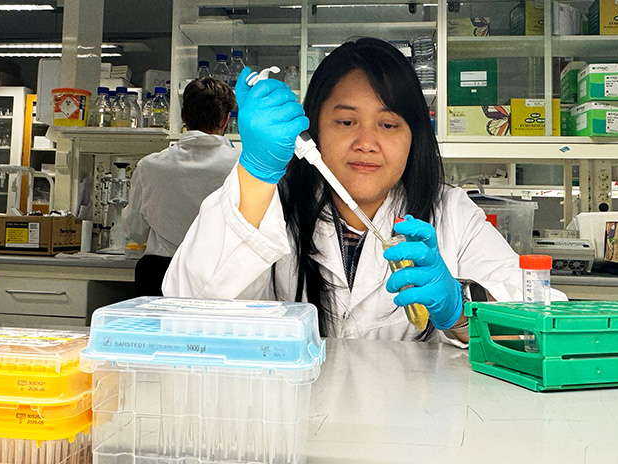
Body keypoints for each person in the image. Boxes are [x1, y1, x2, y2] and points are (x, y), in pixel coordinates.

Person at [164, 38, 562, 345]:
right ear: (314, 130)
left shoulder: (450, 212)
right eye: (345, 122)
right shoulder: (273, 203)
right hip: (290, 428)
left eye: (388, 125)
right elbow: (187, 313)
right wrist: (256, 173)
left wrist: (462, 309)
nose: (366, 142)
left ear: (414, 137)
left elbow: (547, 324)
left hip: (415, 433)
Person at [126, 77, 239, 296]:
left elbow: (136, 232)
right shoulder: (242, 167)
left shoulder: (150, 166)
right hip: (219, 276)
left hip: (158, 276)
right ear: (226, 120)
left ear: (183, 117)